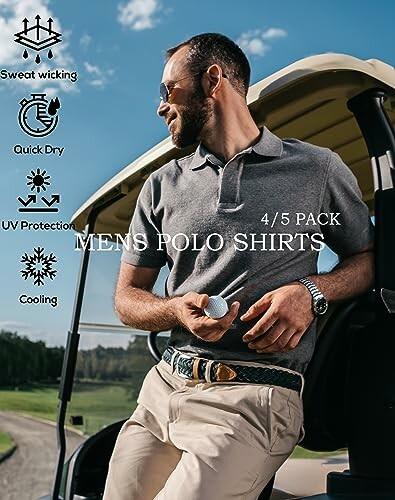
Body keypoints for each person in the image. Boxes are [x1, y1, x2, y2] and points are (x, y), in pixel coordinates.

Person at [103, 33, 374, 499]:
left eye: (169, 90)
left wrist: (310, 292)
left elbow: (369, 259)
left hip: (254, 399)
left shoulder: (317, 169)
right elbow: (127, 300)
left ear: (213, 81)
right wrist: (175, 311)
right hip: (163, 388)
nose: (160, 107)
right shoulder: (161, 185)